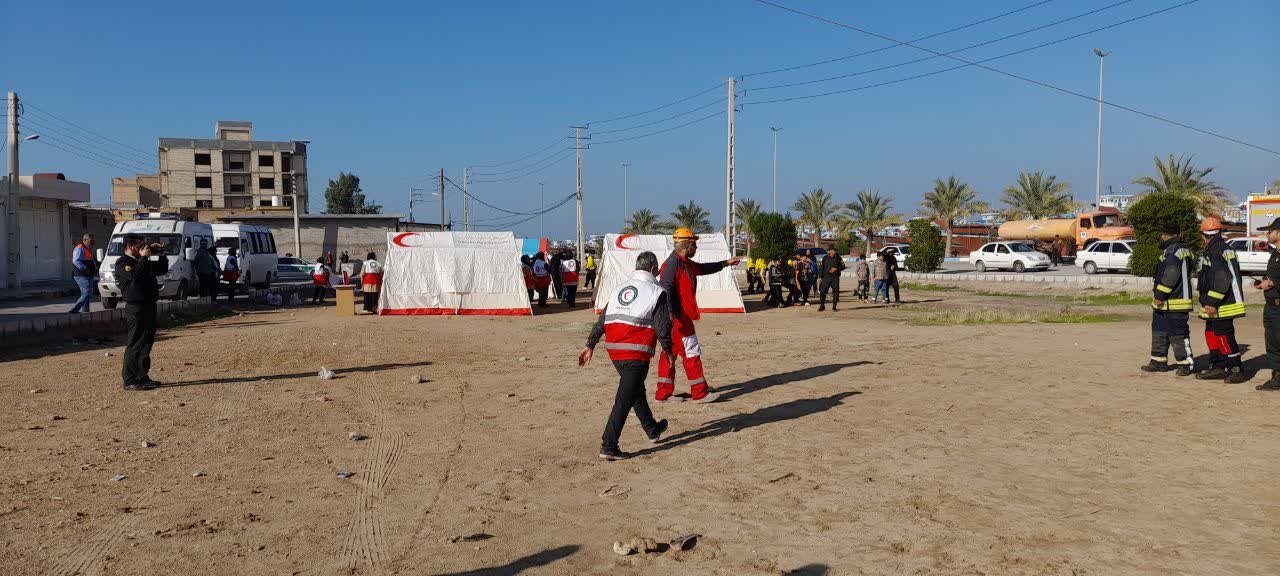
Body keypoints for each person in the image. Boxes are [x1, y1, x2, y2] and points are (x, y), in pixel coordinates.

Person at [580, 250, 673, 461]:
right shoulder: (656, 292)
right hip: (635, 351)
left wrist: (590, 344)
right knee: (624, 399)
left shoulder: (619, 289)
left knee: (634, 390)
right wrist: (668, 350)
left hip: (614, 351)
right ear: (653, 269)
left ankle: (652, 429)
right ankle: (609, 445)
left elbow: (603, 320)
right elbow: (662, 327)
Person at [655, 228, 740, 403]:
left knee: (669, 353)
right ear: (687, 244)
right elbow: (665, 289)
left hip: (678, 318)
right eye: (695, 244)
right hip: (678, 320)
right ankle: (699, 393)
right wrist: (670, 314)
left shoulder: (684, 262)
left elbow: (703, 268)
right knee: (691, 353)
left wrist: (726, 263)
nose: (696, 247)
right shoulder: (673, 264)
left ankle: (663, 394)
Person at [1195, 216, 1249, 383]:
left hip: (1223, 303)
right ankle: (1218, 365)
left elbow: (1221, 279)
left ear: (1204, 235)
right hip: (1220, 301)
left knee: (1224, 335)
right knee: (1211, 333)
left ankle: (1235, 367)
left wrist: (1211, 302)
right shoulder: (1220, 248)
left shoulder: (1216, 249)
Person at [115, 235, 168, 391]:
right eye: (140, 246)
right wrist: (144, 259)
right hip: (136, 307)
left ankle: (142, 375)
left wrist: (161, 254)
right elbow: (135, 277)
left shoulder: (142, 262)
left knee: (146, 342)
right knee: (136, 342)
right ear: (131, 246)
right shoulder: (123, 262)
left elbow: (161, 270)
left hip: (149, 305)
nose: (143, 249)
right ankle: (130, 379)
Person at [1142, 223, 1196, 376]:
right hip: (1169, 303)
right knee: (1160, 331)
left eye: (1162, 234)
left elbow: (1171, 274)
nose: (1161, 237)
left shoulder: (1172, 251)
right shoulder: (1181, 249)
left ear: (1167, 235)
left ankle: (1185, 365)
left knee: (1178, 334)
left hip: (1173, 301)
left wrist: (1159, 295)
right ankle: (1158, 362)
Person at [1254, 217, 1280, 391]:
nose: (1267, 234)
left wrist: (1273, 284)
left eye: (1270, 231)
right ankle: (1276, 377)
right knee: (1272, 342)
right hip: (1270, 305)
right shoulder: (1275, 254)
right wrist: (1265, 282)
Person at [69, 233, 98, 313]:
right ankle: (74, 310)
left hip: (88, 274)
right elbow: (76, 261)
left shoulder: (88, 249)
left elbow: (90, 260)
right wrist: (85, 268)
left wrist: (94, 268)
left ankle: (85, 312)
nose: (93, 242)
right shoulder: (80, 248)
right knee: (86, 293)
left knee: (87, 295)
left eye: (93, 240)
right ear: (85, 240)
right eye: (91, 241)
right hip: (81, 275)